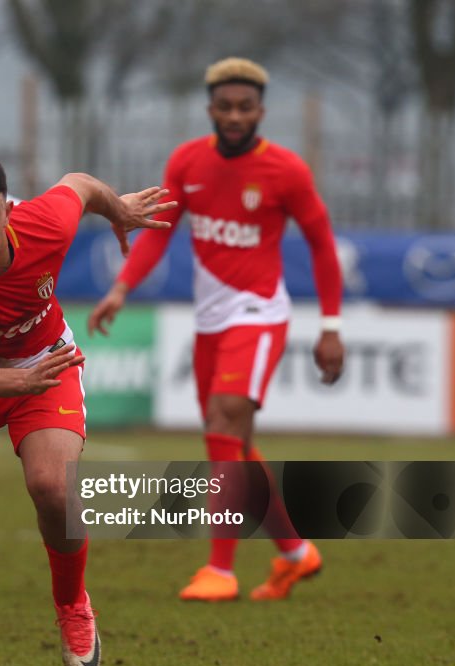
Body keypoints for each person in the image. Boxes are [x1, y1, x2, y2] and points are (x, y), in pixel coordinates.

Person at [0, 148, 175, 666]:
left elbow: (79, 182)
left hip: (46, 367)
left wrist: (118, 210)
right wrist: (16, 383)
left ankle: (73, 603)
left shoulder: (46, 224)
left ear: (8, 210)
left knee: (54, 487)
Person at [88, 57, 345, 602]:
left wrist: (330, 326)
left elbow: (322, 245)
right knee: (234, 443)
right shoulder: (188, 161)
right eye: (224, 106)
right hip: (210, 323)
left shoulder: (286, 170)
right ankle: (297, 553)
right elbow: (158, 231)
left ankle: (220, 570)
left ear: (260, 111)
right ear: (210, 109)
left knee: (223, 423)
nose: (233, 115)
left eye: (244, 107)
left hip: (259, 314)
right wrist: (121, 288)